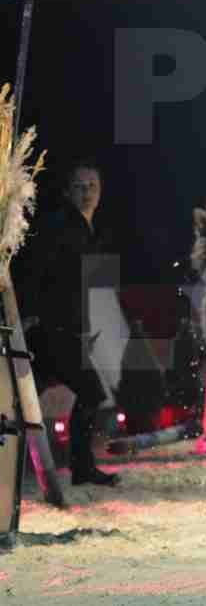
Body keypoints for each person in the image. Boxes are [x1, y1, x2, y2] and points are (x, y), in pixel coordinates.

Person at [14, 159, 121, 486]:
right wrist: (29, 312)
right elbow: (38, 271)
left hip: (62, 327)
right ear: (67, 191)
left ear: (101, 193)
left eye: (93, 186)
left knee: (28, 396)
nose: (87, 192)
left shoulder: (83, 229)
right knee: (90, 392)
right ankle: (80, 468)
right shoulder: (62, 226)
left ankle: (71, 467)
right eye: (80, 186)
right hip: (54, 328)